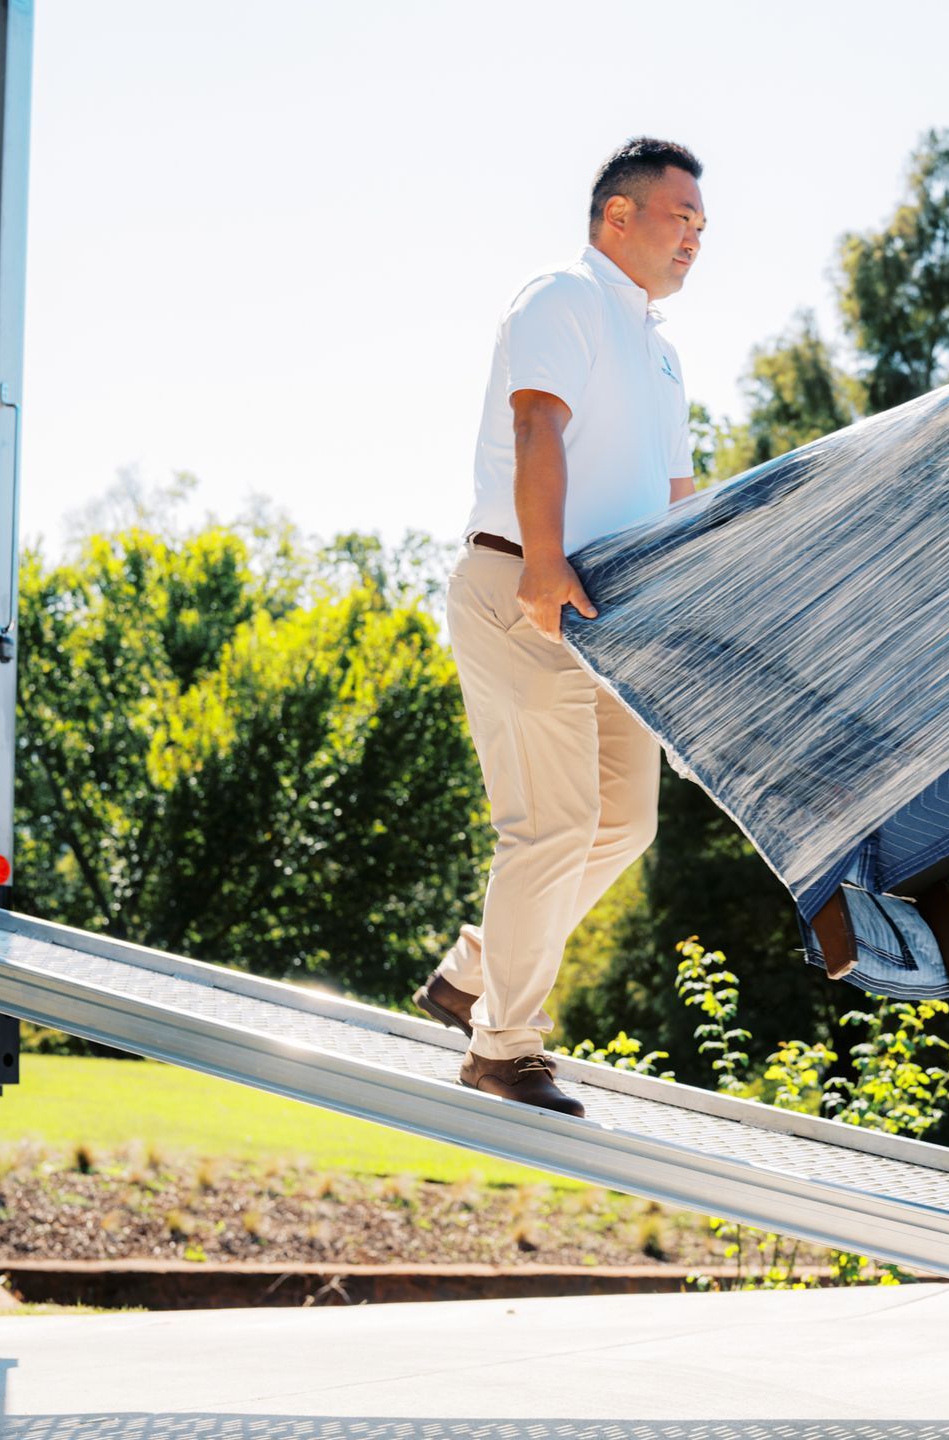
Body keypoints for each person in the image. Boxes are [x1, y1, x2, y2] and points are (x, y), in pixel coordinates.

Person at [413, 137, 705, 1117]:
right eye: (680, 217)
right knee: (552, 824)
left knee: (623, 819)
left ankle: (473, 973)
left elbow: (676, 500)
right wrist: (544, 563)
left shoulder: (661, 355)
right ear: (617, 215)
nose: (695, 238)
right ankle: (503, 1047)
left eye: (703, 226)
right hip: (524, 583)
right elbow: (536, 423)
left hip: (616, 618)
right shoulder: (561, 297)